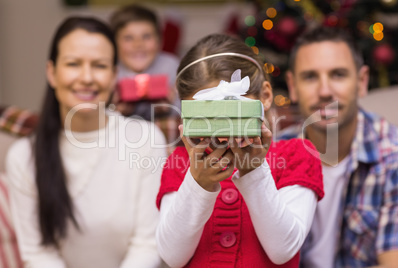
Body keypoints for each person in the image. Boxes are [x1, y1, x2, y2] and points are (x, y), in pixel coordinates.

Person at [5, 17, 166, 268]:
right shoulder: (23, 156)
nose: (87, 77)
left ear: (114, 75)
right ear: (52, 72)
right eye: (73, 64)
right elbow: (38, 254)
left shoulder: (145, 140)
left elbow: (148, 244)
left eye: (100, 66)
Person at [155, 33, 325, 267]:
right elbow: (172, 256)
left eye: (231, 110)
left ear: (264, 96)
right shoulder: (181, 162)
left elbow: (283, 249)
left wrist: (253, 171)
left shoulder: (297, 155)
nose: (220, 129)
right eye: (203, 116)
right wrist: (198, 183)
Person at [284, 26, 398, 267]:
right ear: (292, 86)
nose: (325, 91)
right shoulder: (270, 155)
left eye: (338, 74)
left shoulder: (396, 156)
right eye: (310, 77)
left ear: (362, 81)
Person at [110, 4, 180, 121]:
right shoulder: (111, 72)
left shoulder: (171, 66)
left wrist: (169, 108)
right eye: (128, 38)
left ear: (160, 41)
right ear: (114, 44)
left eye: (146, 36)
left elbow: (187, 110)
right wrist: (115, 110)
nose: (138, 44)